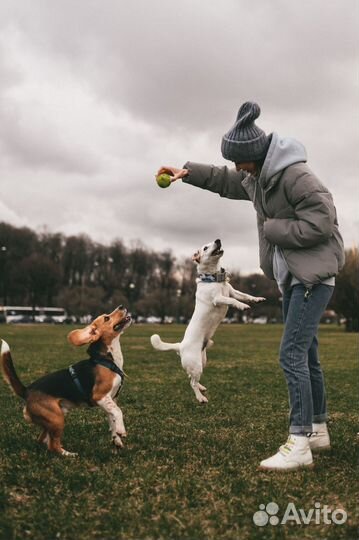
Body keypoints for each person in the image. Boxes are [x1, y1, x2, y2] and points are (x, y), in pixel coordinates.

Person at [157, 101, 345, 471]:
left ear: (255, 156)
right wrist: (187, 172)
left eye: (240, 161)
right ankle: (318, 430)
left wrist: (274, 229)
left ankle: (299, 442)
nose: (237, 168)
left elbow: (322, 222)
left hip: (312, 277)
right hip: (294, 277)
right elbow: (226, 180)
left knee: (291, 355)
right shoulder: (257, 176)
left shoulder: (295, 176)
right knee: (306, 355)